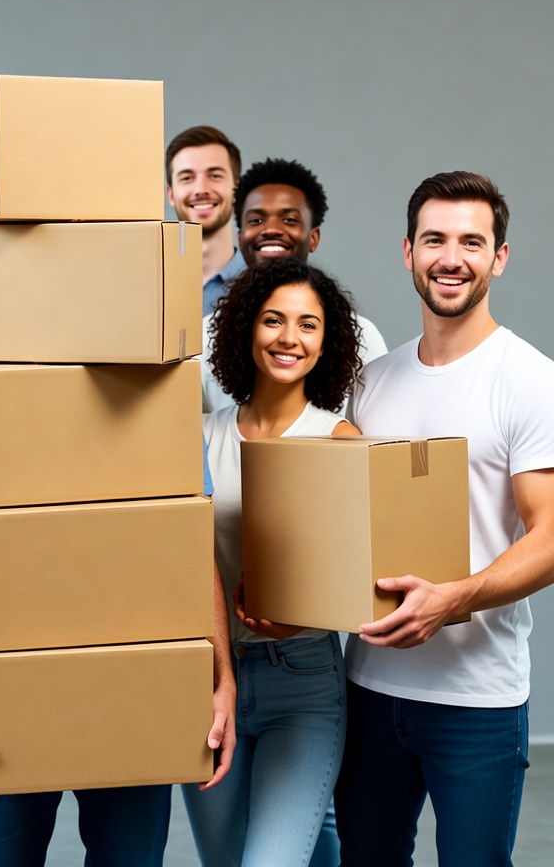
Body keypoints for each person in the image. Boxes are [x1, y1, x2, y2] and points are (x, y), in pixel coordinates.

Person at [0, 379, 236, 866]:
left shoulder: (154, 399)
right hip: (2, 710)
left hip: (133, 694)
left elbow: (190, 540)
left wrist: (221, 678)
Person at [335, 171, 554, 867]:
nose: (450, 257)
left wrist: (454, 598)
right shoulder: (371, 382)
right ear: (408, 252)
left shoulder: (529, 380)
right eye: (434, 239)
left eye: (470, 240)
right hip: (369, 690)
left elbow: (550, 536)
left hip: (478, 700)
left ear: (499, 256)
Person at [181, 257, 362, 867]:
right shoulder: (199, 437)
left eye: (308, 325)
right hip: (203, 679)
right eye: (273, 321)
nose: (290, 338)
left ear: (326, 341)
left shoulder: (338, 441)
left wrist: (298, 617)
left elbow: (356, 576)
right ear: (243, 331)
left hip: (302, 679)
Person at [200, 158, 387, 413]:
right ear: (240, 238)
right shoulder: (205, 334)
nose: (272, 230)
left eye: (289, 220)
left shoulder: (362, 337)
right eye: (256, 220)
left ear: (313, 238)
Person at [165, 125, 244, 316]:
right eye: (187, 178)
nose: (201, 189)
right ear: (171, 194)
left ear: (237, 189)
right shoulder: (148, 285)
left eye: (215, 175)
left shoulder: (265, 286)